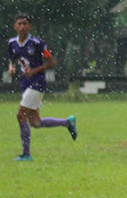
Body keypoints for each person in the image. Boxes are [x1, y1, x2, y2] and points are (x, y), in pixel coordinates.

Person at [7, 14, 77, 161]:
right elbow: (12, 59)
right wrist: (11, 68)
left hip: (37, 83)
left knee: (20, 115)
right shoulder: (12, 43)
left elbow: (51, 62)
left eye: (25, 24)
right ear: (15, 26)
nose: (22, 27)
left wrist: (33, 71)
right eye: (19, 24)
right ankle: (67, 123)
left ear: (29, 26)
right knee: (35, 122)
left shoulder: (37, 43)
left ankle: (26, 155)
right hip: (25, 84)